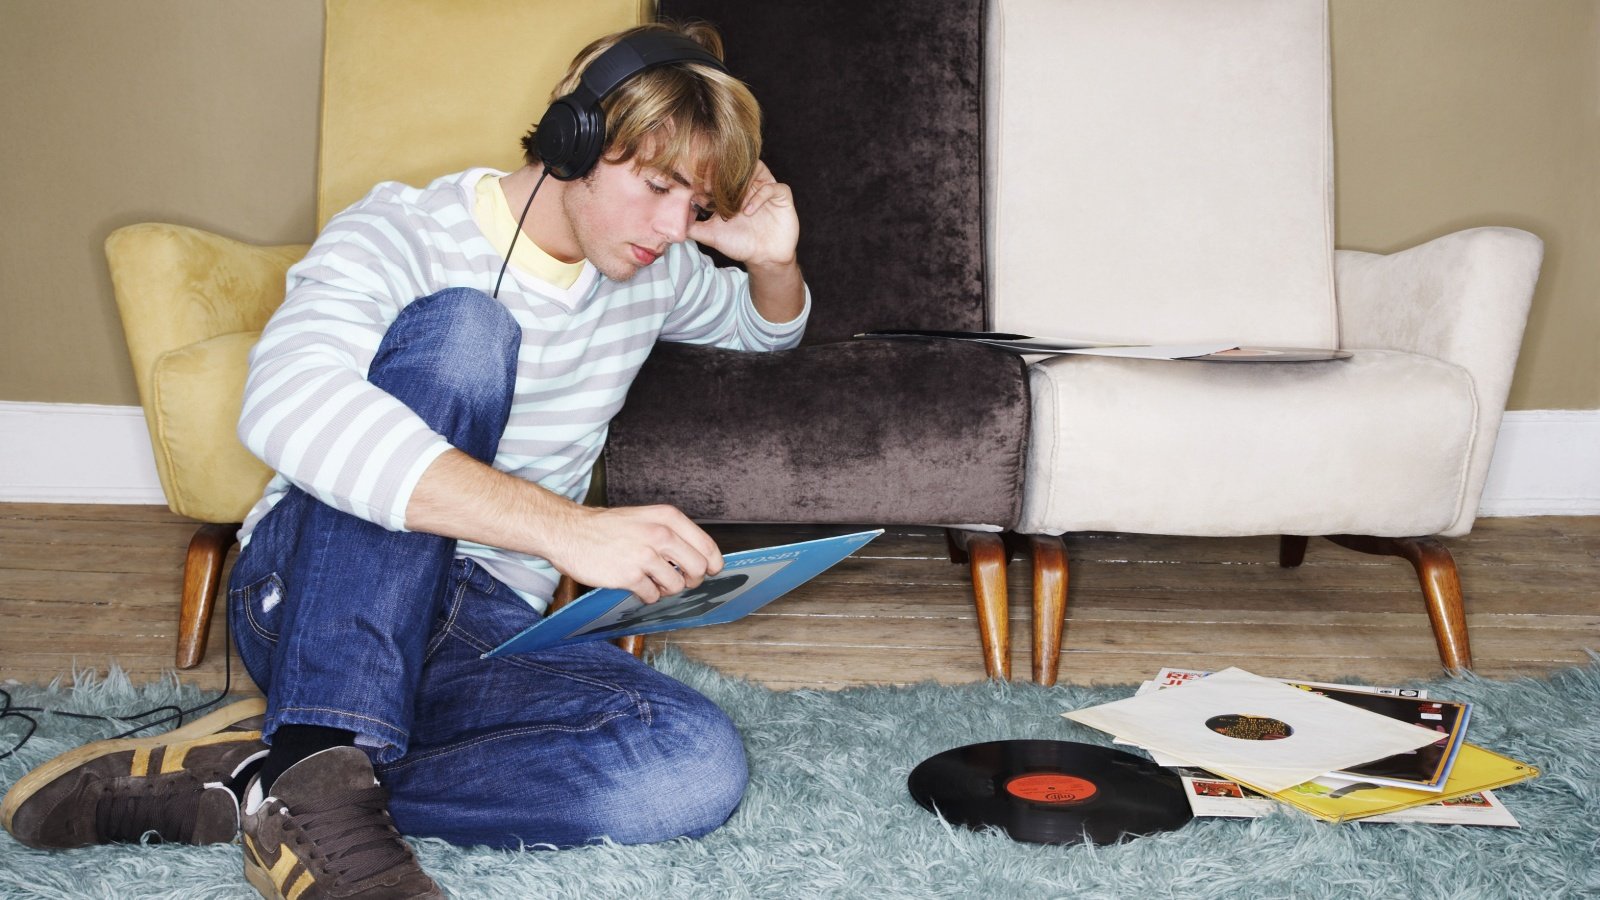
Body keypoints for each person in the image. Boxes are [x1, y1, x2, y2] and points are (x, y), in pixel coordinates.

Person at [2, 20, 806, 900]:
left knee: (689, 763)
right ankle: (322, 773)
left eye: (694, 207)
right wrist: (568, 531)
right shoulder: (401, 230)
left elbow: (767, 329)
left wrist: (774, 260)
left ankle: (274, 777)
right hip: (309, 592)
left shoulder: (652, 269)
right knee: (466, 333)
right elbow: (287, 404)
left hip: (485, 621)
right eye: (656, 187)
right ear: (574, 141)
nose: (672, 228)